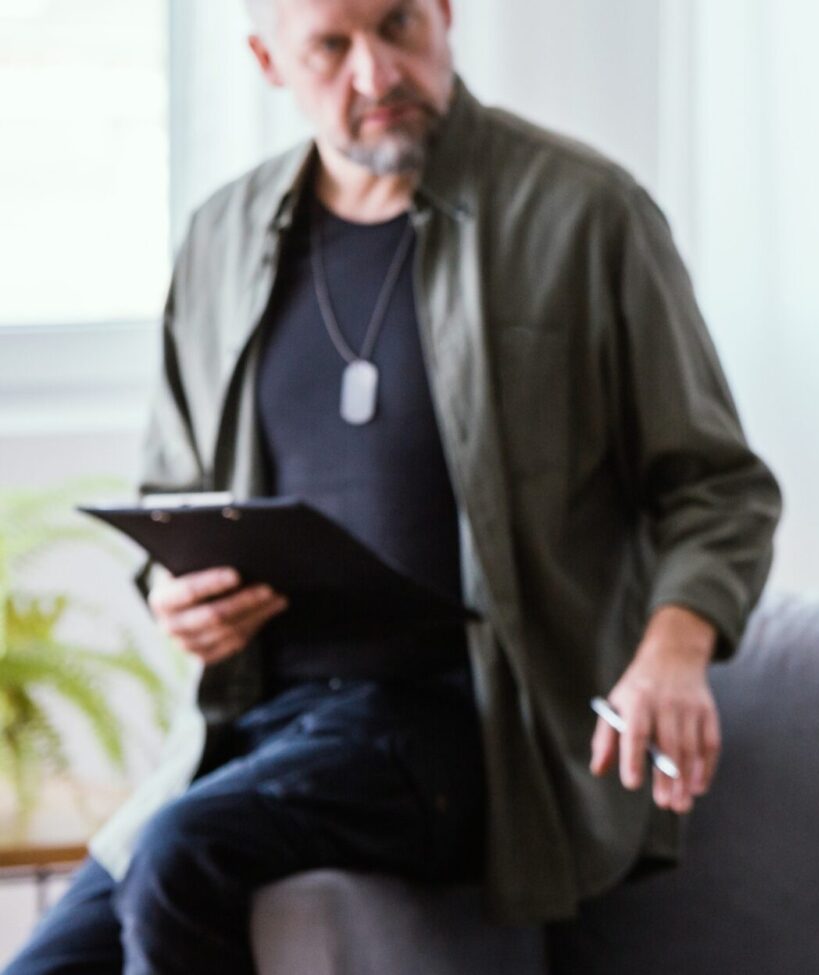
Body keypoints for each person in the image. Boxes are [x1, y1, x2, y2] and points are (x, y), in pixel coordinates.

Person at [6, 0, 780, 971]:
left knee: (183, 854)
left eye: (398, 25)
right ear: (268, 61)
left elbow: (718, 486)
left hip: (468, 727)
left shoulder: (584, 213)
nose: (375, 74)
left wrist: (673, 652)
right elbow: (177, 495)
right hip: (253, 723)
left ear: (445, 15)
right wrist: (178, 596)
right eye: (331, 47)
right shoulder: (220, 238)